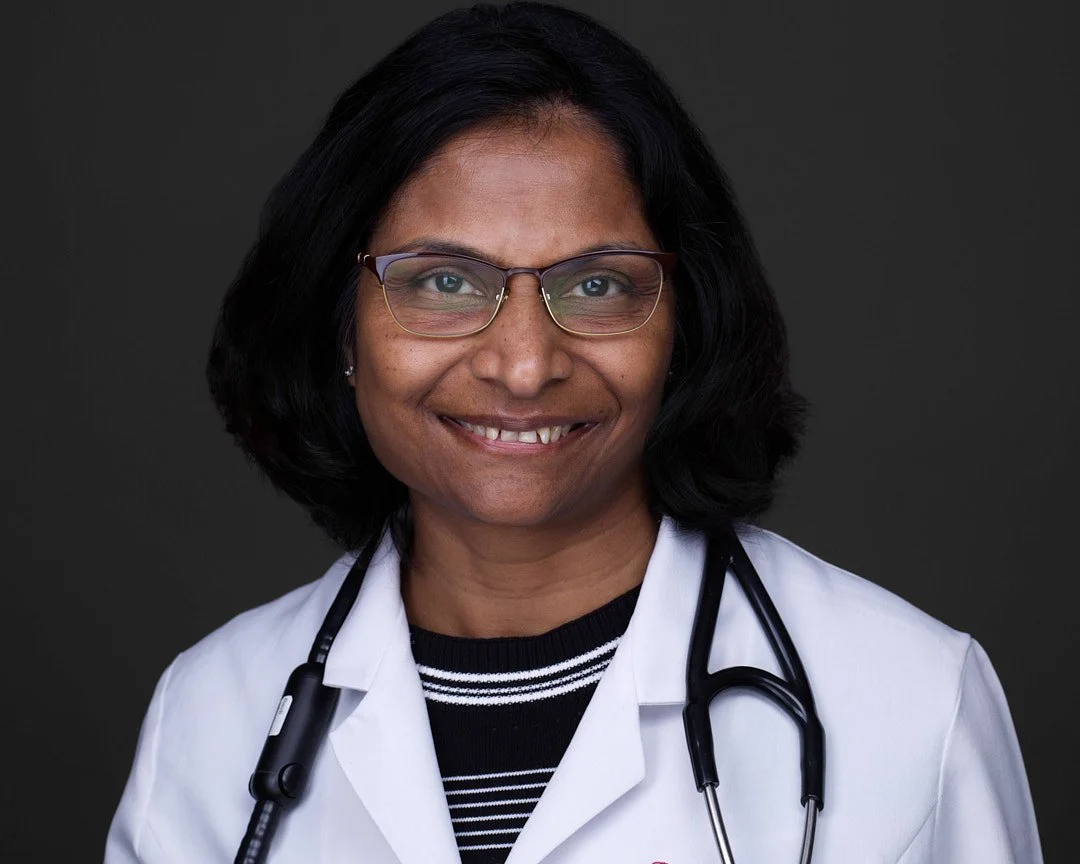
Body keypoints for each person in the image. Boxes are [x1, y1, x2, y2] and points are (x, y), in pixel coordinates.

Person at [105, 3, 1043, 862]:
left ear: (686, 324)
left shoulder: (913, 700)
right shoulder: (212, 713)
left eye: (597, 285)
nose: (523, 364)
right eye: (441, 281)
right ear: (339, 325)